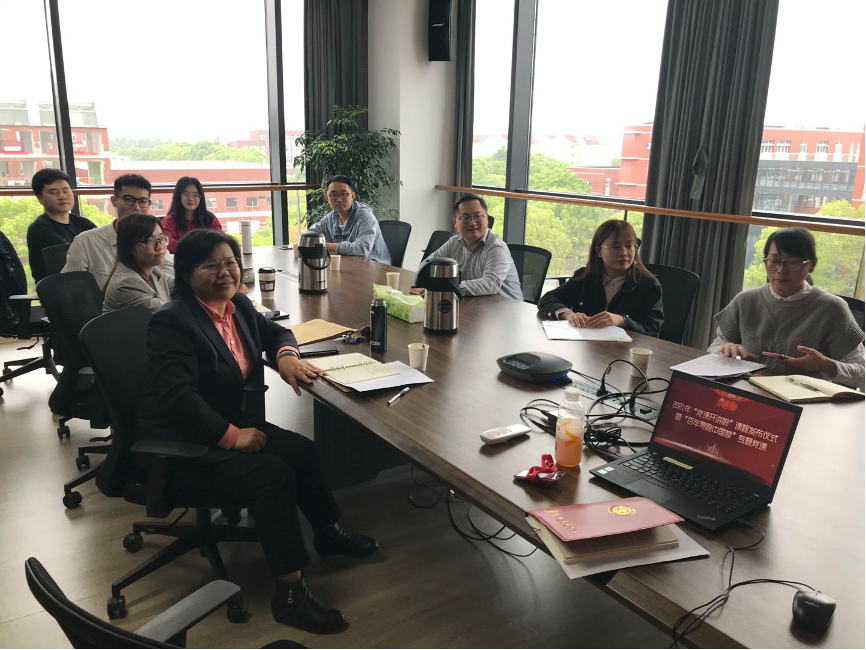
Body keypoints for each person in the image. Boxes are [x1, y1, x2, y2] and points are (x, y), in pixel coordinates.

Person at [136, 229, 377, 633]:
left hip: (226, 418)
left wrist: (285, 357)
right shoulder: (172, 321)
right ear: (187, 274)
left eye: (229, 262)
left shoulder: (238, 305)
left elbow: (277, 333)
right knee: (272, 476)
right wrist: (232, 436)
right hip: (184, 440)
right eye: (210, 265)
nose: (224, 272)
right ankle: (290, 594)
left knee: (302, 451)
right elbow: (178, 400)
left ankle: (328, 534)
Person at [710, 227, 864, 388]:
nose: (781, 270)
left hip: (803, 398)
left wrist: (825, 364)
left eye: (793, 262)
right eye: (774, 261)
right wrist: (724, 350)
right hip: (747, 392)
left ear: (811, 265)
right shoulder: (745, 301)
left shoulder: (832, 309)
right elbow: (713, 348)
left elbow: (862, 372)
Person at [537, 219, 663, 337]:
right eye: (615, 246)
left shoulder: (648, 284)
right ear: (598, 251)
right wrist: (567, 314)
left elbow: (652, 332)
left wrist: (623, 320)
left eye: (629, 246)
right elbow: (547, 299)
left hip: (627, 350)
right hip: (587, 347)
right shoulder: (585, 277)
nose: (624, 253)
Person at [63, 173, 174, 291]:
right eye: (128, 199)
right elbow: (72, 289)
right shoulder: (86, 242)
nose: (136, 207)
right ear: (114, 201)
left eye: (142, 201)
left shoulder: (156, 240)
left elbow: (171, 274)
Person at [412, 194, 523, 301]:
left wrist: (448, 287)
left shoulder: (496, 247)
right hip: (476, 305)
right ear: (455, 222)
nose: (472, 223)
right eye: (465, 218)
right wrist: (422, 283)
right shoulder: (454, 243)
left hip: (507, 309)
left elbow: (491, 283)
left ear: (486, 218)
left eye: (477, 216)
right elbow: (428, 263)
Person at [26, 169, 96, 283]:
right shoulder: (40, 229)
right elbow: (72, 260)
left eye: (65, 191)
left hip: (86, 284)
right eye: (54, 192)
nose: (62, 196)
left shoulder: (83, 223)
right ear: (40, 198)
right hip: (60, 288)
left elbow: (103, 247)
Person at [308, 175, 391, 264]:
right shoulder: (330, 218)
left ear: (352, 196)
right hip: (350, 265)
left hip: (376, 266)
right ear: (327, 198)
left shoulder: (365, 216)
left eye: (344, 194)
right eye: (334, 195)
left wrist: (327, 245)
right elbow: (309, 235)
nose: (339, 199)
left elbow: (362, 249)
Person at [103, 213, 173, 314]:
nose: (160, 246)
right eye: (150, 241)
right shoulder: (127, 284)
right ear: (130, 246)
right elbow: (167, 315)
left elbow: (181, 288)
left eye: (161, 238)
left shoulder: (154, 271)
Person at [161, 176, 223, 253]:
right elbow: (167, 244)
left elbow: (220, 241)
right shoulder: (169, 221)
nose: (191, 199)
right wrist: (201, 246)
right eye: (186, 194)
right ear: (178, 196)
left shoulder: (210, 219)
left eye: (195, 195)